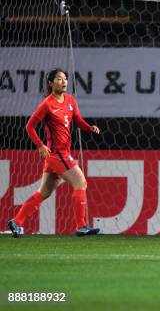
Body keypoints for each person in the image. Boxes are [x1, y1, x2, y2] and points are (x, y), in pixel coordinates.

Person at [8, 68, 101, 238]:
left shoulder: (70, 100)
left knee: (44, 192)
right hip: (57, 154)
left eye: (65, 79)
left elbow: (78, 121)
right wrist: (40, 145)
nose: (63, 82)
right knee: (80, 182)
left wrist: (90, 128)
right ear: (51, 83)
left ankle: (17, 221)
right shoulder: (47, 104)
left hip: (61, 154)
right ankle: (81, 225)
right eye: (58, 79)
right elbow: (29, 127)